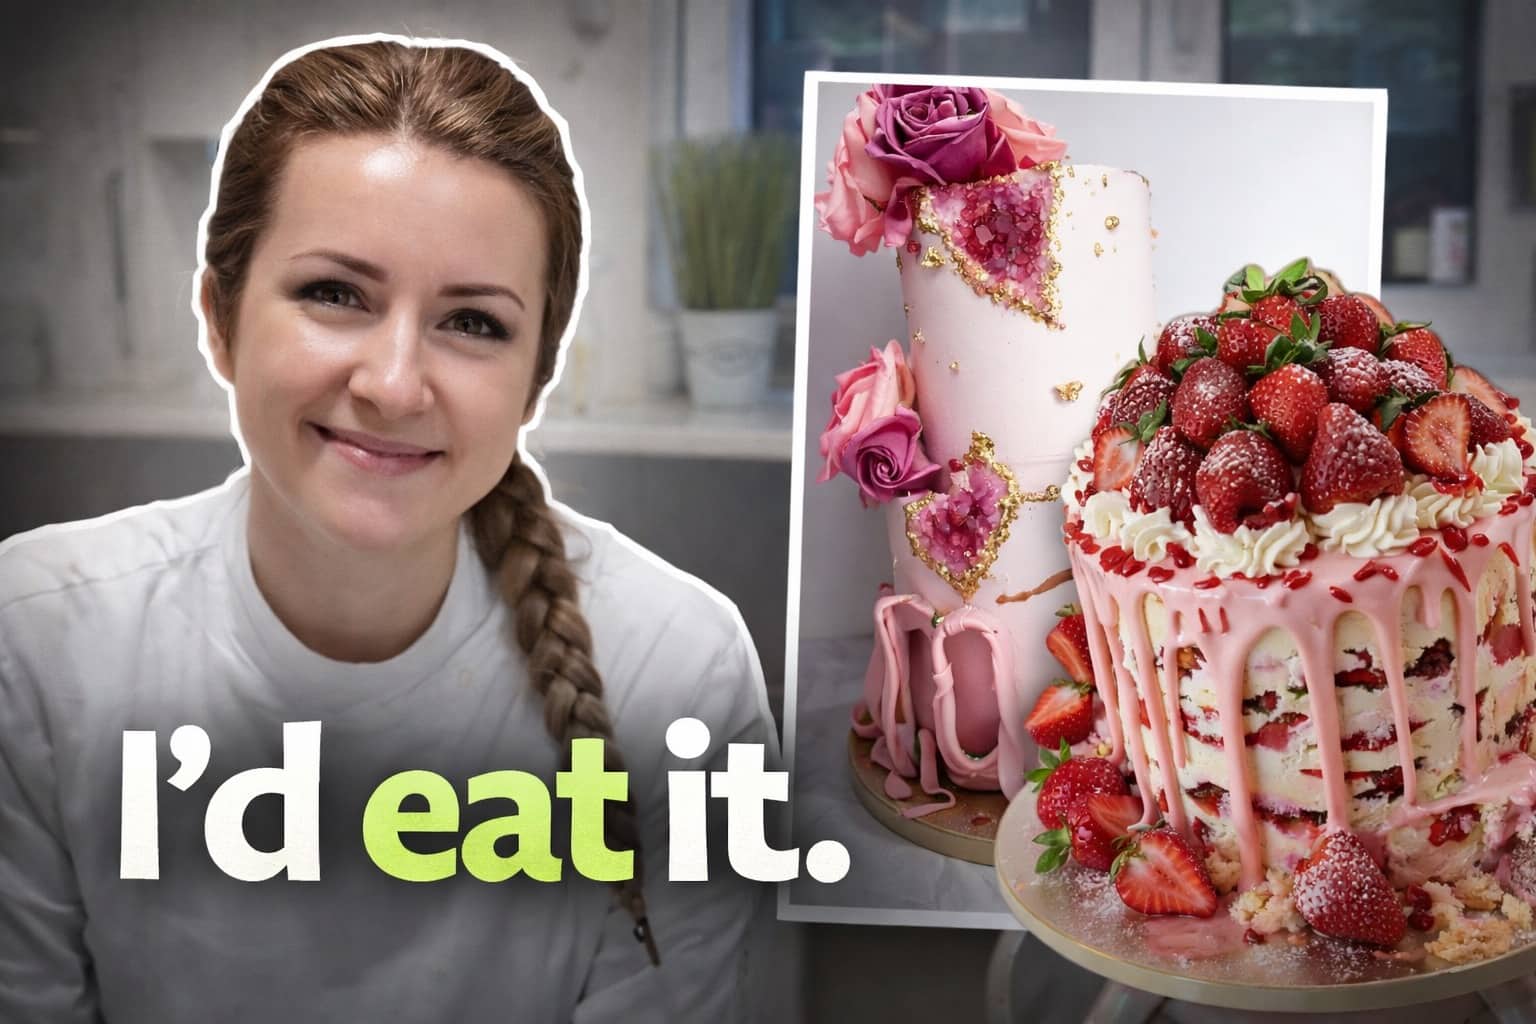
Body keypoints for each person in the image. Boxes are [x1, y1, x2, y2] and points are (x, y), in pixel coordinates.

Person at [0, 34, 776, 1023]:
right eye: (334, 294)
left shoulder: (681, 672)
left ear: (534, 377)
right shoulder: (35, 641)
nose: (395, 382)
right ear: (220, 319)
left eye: (475, 323)